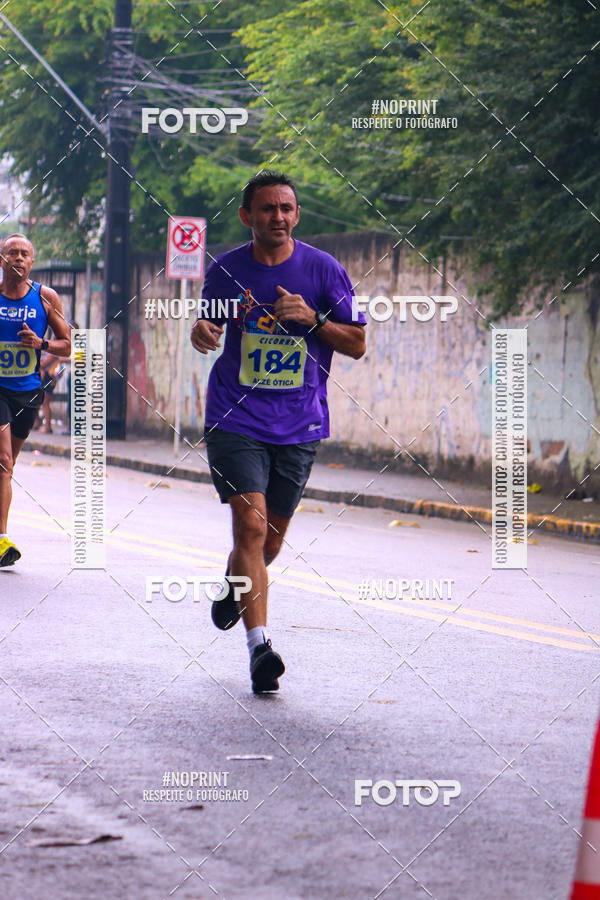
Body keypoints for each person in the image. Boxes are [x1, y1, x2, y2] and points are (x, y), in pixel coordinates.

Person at [190, 172, 366, 693]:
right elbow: (210, 323)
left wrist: (313, 320)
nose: (279, 217)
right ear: (247, 215)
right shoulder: (225, 270)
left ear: (297, 214)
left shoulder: (323, 269)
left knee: (267, 545)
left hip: (299, 422)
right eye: (268, 208)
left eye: (287, 208)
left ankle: (235, 584)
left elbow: (357, 343)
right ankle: (260, 648)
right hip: (235, 416)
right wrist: (202, 330)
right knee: (249, 526)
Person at [0, 234, 71, 566]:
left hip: (27, 392)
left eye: (24, 253)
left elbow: (68, 344)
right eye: (11, 252)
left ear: (32, 260)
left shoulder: (45, 297)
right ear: (1, 260)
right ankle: (2, 540)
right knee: (3, 461)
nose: (18, 258)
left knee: (7, 466)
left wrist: (41, 344)